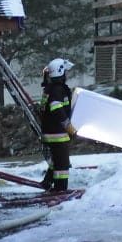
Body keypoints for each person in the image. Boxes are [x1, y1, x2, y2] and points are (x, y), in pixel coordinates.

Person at [40, 58, 76, 191]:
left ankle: (47, 182)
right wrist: (68, 126)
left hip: (50, 132)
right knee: (62, 165)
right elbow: (56, 107)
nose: (66, 74)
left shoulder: (50, 89)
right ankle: (60, 190)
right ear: (61, 73)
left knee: (56, 161)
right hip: (57, 134)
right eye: (65, 72)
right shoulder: (58, 90)